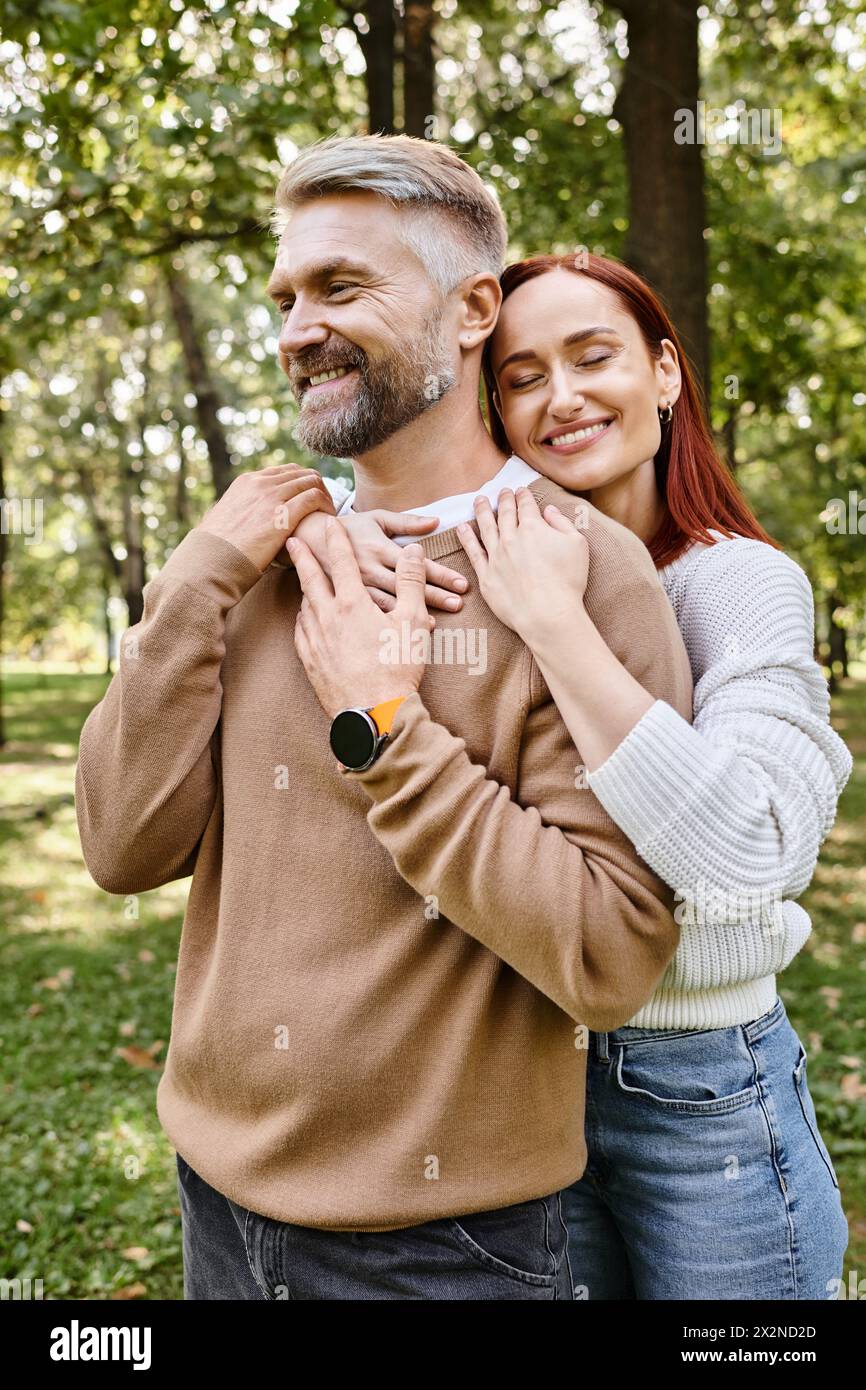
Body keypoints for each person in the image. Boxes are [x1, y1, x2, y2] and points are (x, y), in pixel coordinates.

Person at [75, 135, 693, 1301]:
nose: (294, 328)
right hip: (215, 1196)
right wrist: (197, 579)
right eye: (285, 297)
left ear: (470, 311)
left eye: (340, 287)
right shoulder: (258, 556)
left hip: (446, 1247)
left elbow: (611, 953)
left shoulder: (584, 576)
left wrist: (387, 727)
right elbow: (120, 847)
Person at [317, 249, 852, 1300]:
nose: (559, 397)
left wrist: (558, 624)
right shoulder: (461, 569)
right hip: (519, 1076)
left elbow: (751, 857)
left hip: (698, 1090)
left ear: (661, 373)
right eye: (519, 376)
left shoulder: (736, 584)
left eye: (591, 356)